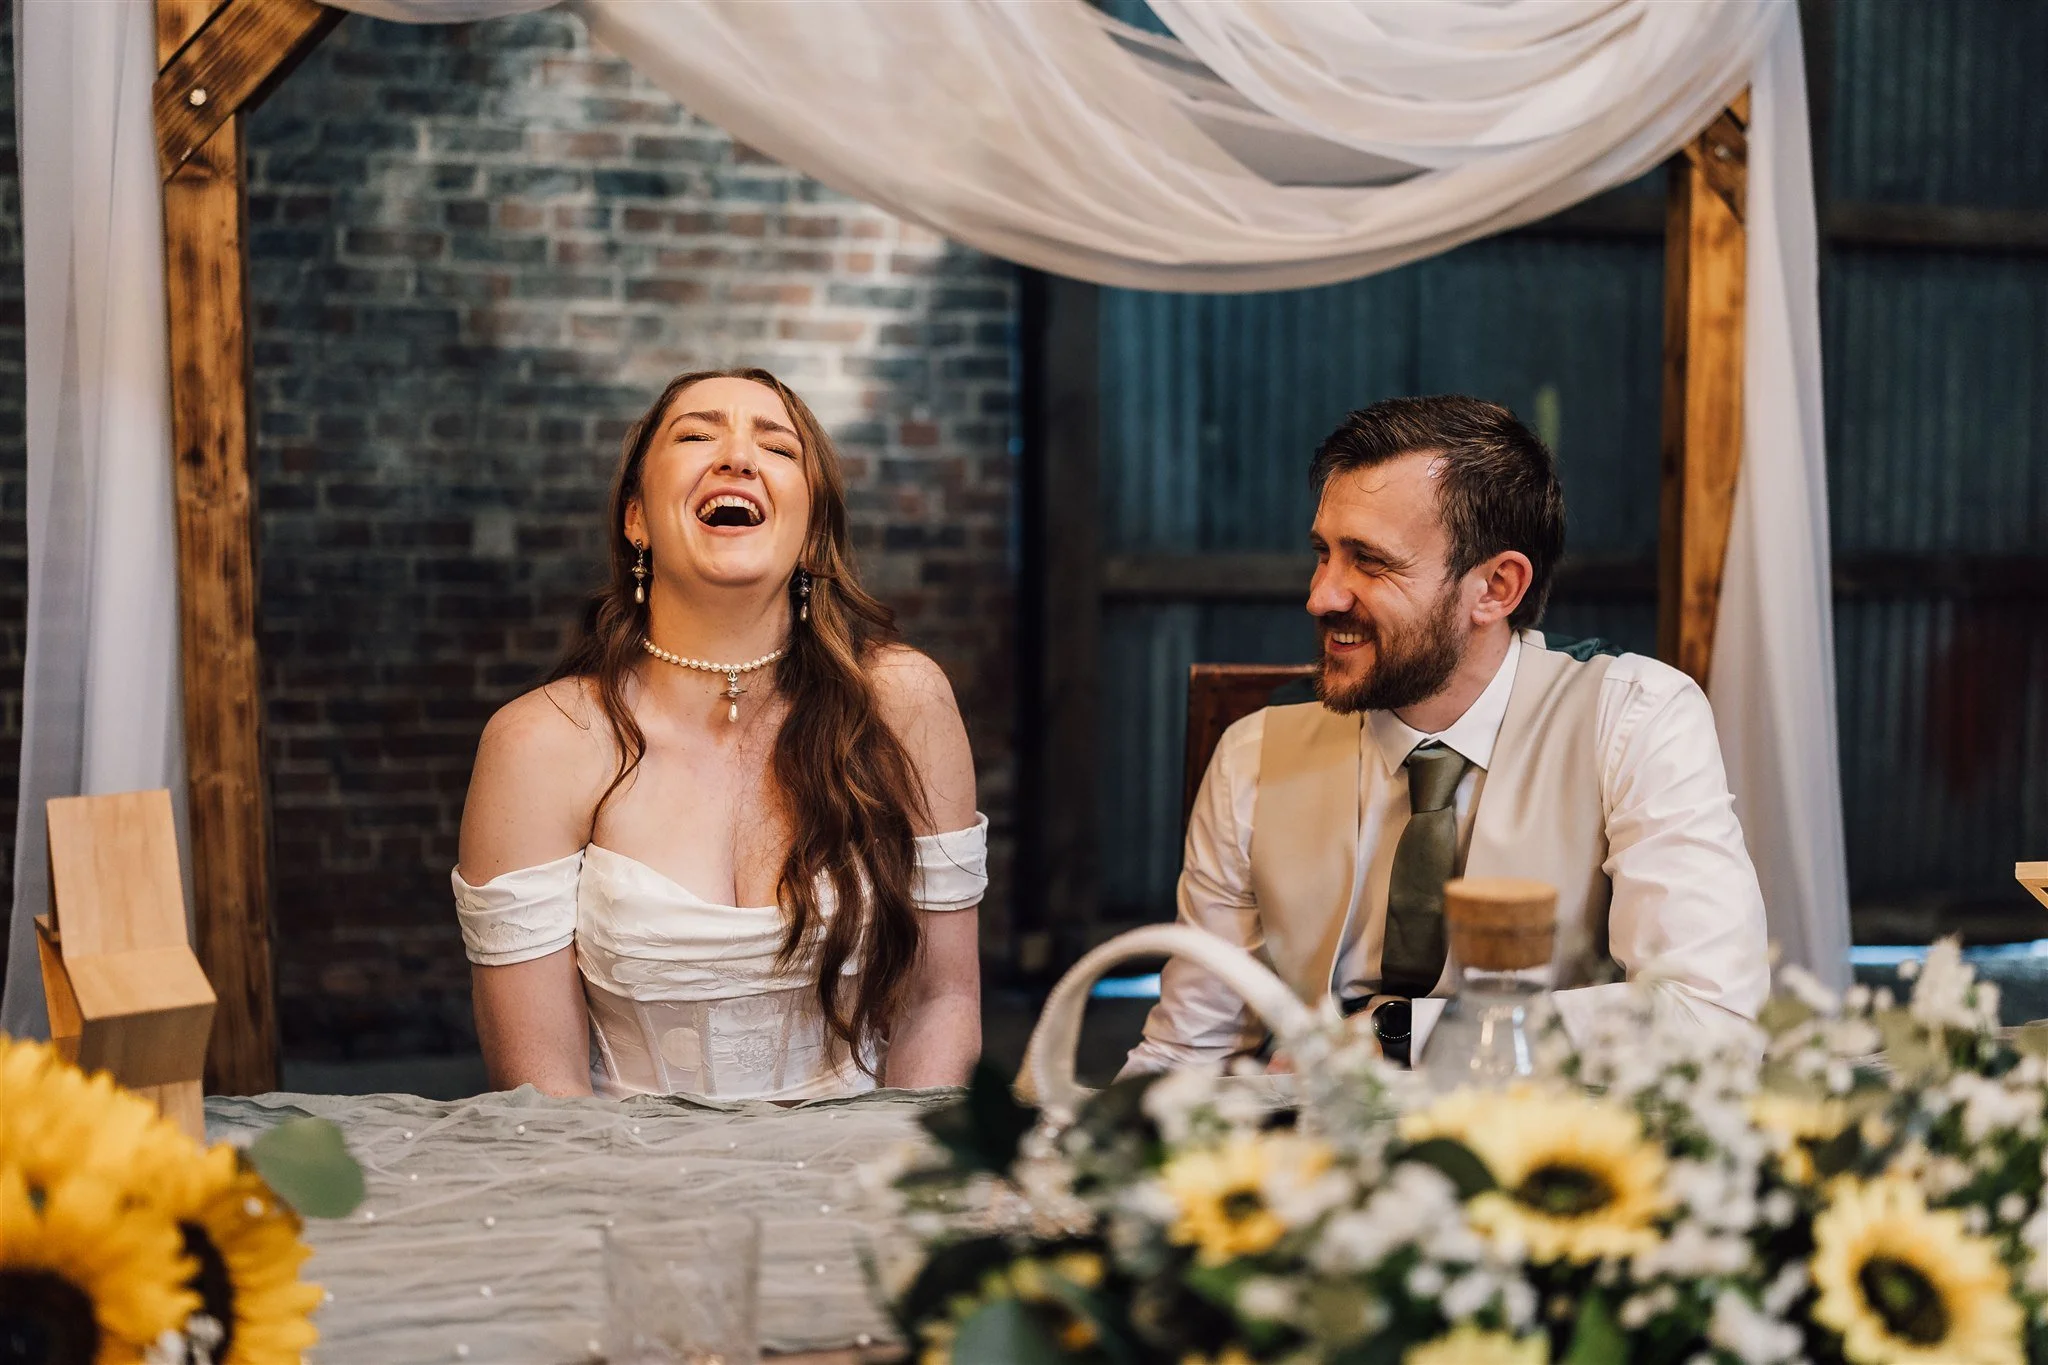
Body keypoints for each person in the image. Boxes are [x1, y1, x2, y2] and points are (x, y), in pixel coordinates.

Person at [1125, 396, 1769, 1074]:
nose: (1322, 595)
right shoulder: (1252, 754)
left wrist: (1399, 1033)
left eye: (1368, 562)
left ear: (1496, 587)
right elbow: (1185, 1051)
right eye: (1323, 553)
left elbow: (1712, 1019)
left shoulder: (1636, 718)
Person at [453, 367, 984, 1100]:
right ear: (636, 518)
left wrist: (903, 1190)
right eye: (697, 434)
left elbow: (942, 1001)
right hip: (618, 1184)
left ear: (810, 529)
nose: (737, 457)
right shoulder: (538, 742)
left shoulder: (902, 703)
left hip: (864, 1181)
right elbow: (543, 1088)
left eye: (778, 447)